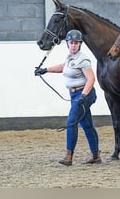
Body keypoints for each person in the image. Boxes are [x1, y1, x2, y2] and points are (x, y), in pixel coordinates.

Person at [34, 29, 101, 166]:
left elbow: (91, 79)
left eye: (77, 43)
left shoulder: (83, 59)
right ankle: (96, 156)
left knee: (71, 122)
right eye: (72, 43)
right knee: (87, 124)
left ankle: (69, 156)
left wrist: (84, 95)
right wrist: (45, 70)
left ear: (80, 44)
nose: (74, 45)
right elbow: (64, 67)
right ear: (68, 44)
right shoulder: (70, 57)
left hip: (84, 94)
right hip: (75, 94)